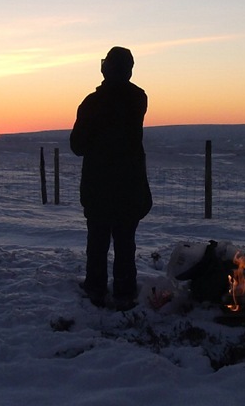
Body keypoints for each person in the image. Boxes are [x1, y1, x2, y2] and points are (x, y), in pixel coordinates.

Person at [70, 46, 152, 311]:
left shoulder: (93, 103)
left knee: (98, 241)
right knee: (125, 242)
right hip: (129, 184)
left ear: (106, 68)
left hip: (99, 184)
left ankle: (95, 289)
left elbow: (78, 145)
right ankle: (124, 293)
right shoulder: (138, 98)